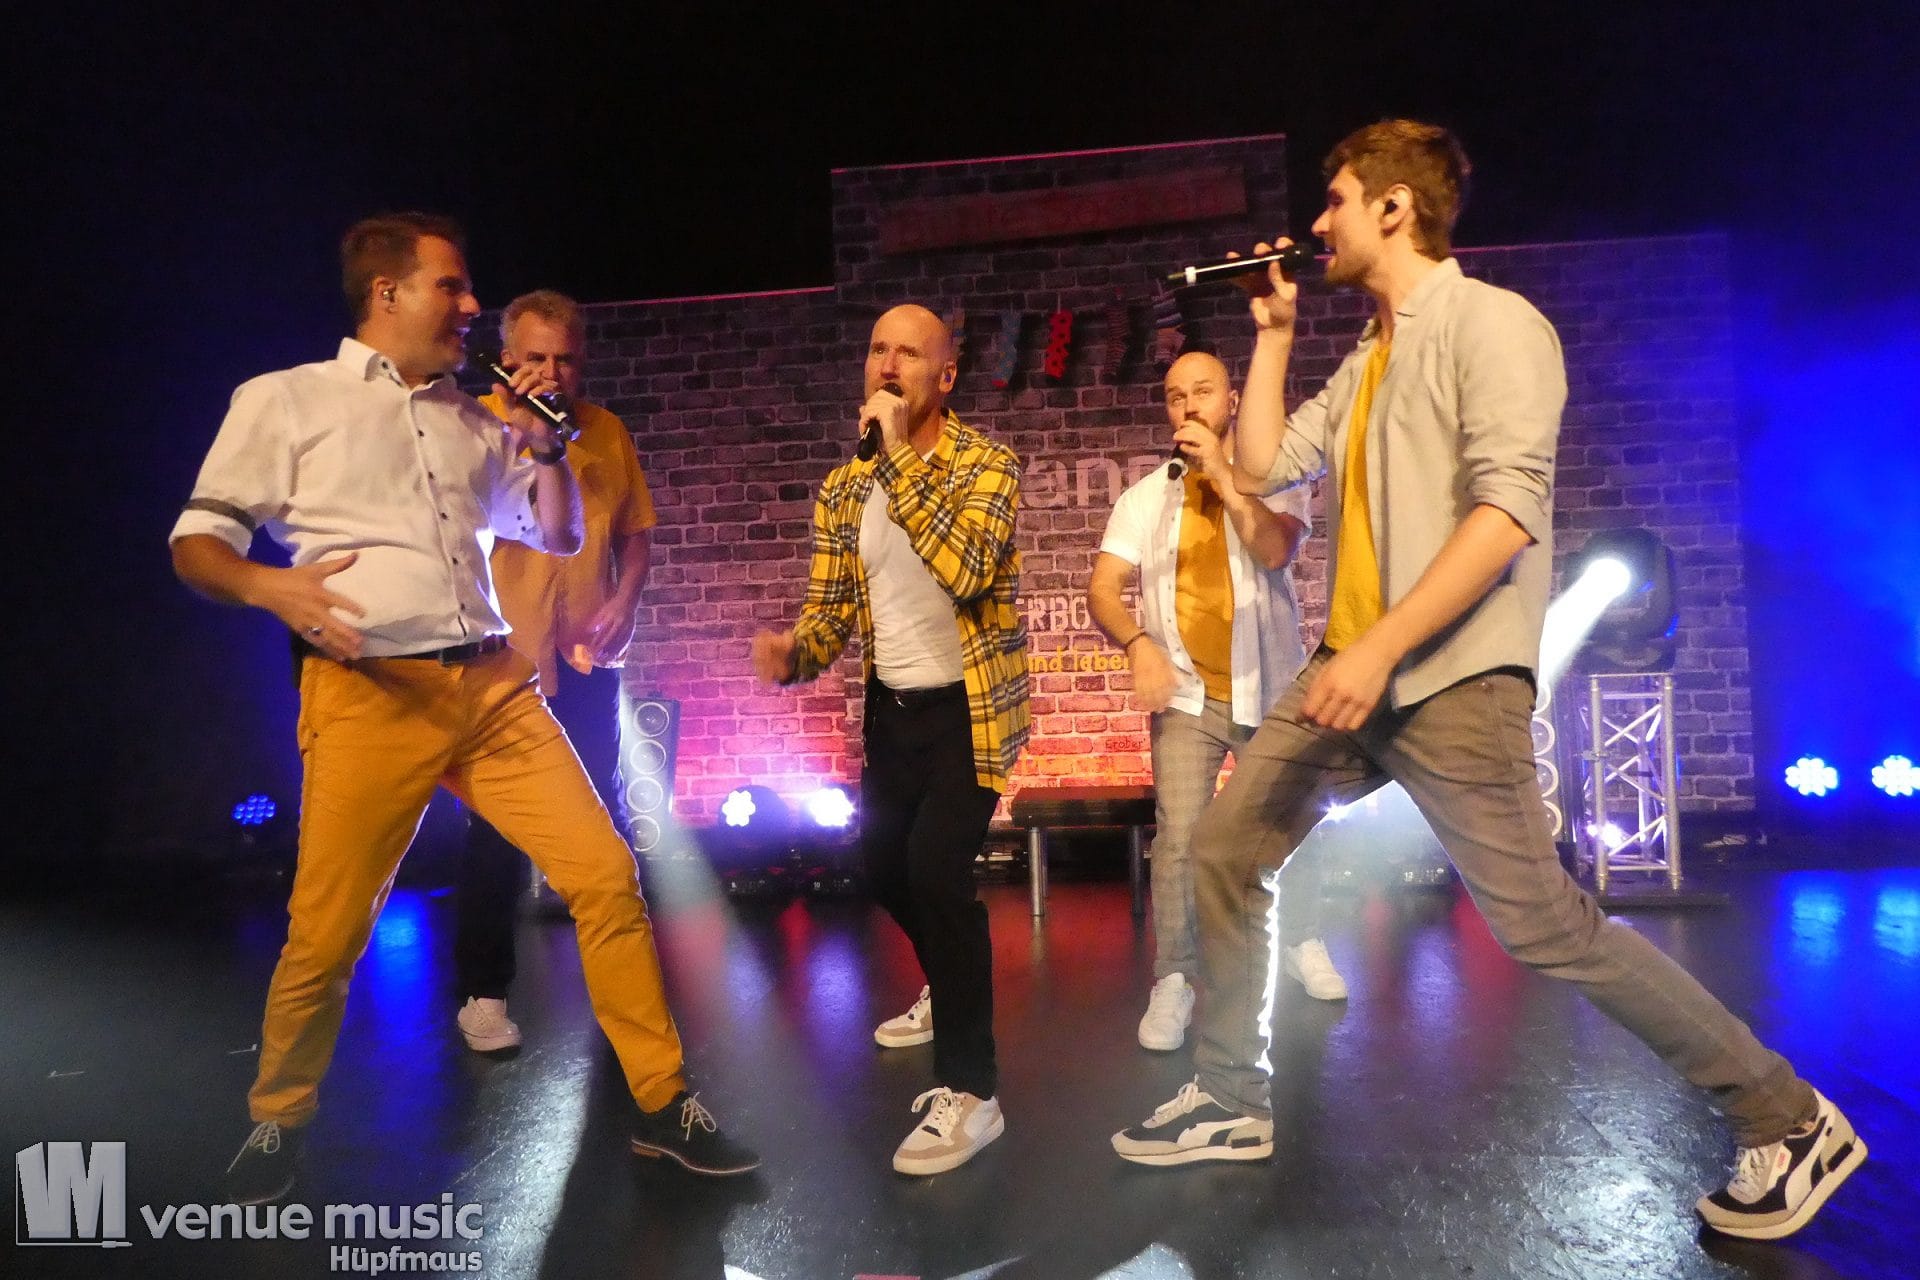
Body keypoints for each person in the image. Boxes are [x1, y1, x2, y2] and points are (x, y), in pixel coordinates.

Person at [1109, 122, 1863, 1243]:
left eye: (1335, 199)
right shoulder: (1365, 361)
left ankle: (1788, 1117)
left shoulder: (1496, 325)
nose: (1317, 222)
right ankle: (1229, 1095)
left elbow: (1505, 517)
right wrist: (1272, 337)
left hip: (1449, 677)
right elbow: (1262, 465)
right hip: (1351, 674)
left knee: (1545, 926)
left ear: (1395, 208)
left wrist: (1377, 651)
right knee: (1221, 849)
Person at [170, 213, 757, 1203]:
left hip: (489, 687)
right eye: (452, 285)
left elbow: (557, 533)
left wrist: (549, 450)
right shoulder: (286, 400)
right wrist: (273, 588)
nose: (472, 304)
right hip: (368, 692)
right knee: (326, 930)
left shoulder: (474, 419)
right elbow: (197, 544)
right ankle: (278, 1118)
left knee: (605, 872)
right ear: (387, 293)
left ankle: (664, 1104)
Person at [751, 304, 1029, 1176]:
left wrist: (900, 456)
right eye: (877, 348)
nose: (887, 362)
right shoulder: (845, 488)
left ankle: (973, 1092)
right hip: (893, 712)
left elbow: (967, 568)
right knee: (882, 869)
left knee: (939, 876)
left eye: (909, 351)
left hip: (970, 713)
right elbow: (830, 611)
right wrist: (795, 654)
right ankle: (949, 979)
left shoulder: (987, 465)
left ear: (945, 375)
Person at [1087, 349, 1347, 1054]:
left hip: (1271, 686)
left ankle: (1303, 941)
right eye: (1176, 396)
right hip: (1186, 694)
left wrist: (1226, 481)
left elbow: (1275, 551)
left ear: (1231, 402)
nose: (1189, 405)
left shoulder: (1277, 480)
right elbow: (1103, 588)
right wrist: (1137, 644)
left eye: (1202, 391)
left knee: (1294, 817)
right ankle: (1174, 977)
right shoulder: (1146, 498)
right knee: (1178, 837)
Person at [453, 289, 657, 1055]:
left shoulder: (606, 431)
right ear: (506, 360)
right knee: (495, 832)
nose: (552, 372)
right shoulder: (471, 427)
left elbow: (636, 533)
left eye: (566, 359)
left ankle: (622, 994)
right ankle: (483, 995)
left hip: (585, 657)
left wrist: (626, 602)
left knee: (602, 826)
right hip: (505, 663)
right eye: (536, 358)